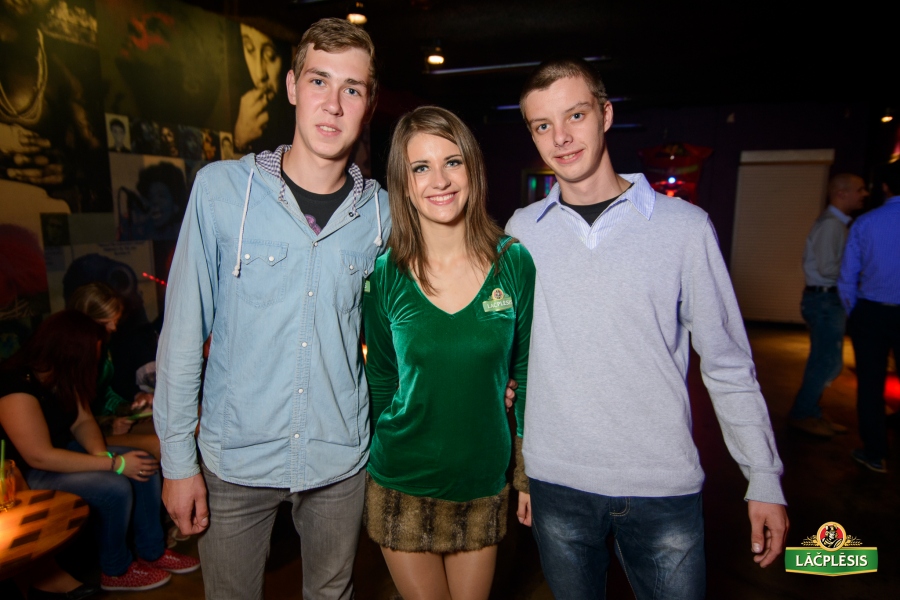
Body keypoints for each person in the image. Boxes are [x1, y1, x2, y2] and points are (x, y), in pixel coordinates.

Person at [505, 58, 789, 599]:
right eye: (542, 125)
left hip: (661, 484)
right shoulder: (522, 231)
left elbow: (727, 363)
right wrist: (522, 466)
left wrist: (763, 475)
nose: (560, 137)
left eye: (575, 115)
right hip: (556, 480)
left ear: (606, 115)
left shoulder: (685, 228)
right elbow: (515, 349)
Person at [154, 18, 391, 600]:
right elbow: (182, 336)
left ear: (369, 104)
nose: (332, 104)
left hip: (339, 458)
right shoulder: (221, 191)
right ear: (291, 86)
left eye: (352, 88)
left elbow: (416, 321)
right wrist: (177, 463)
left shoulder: (383, 214)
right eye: (318, 81)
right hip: (235, 461)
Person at [363, 106, 534, 600]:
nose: (439, 180)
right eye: (421, 167)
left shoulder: (513, 262)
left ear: (472, 169)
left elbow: (525, 374)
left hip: (481, 483)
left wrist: (524, 475)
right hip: (402, 481)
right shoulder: (386, 273)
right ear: (404, 184)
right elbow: (381, 382)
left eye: (452, 162)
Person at [0, 311, 199, 593]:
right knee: (114, 487)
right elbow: (39, 456)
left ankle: (152, 552)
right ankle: (116, 571)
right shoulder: (15, 385)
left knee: (143, 463)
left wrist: (102, 456)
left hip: (60, 452)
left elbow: (82, 421)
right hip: (26, 473)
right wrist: (114, 465)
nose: (98, 357)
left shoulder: (63, 373)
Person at [787, 174, 868, 437]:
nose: (864, 194)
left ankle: (810, 412)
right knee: (826, 361)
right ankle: (802, 414)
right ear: (841, 193)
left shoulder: (836, 224)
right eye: (860, 190)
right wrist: (861, 275)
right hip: (824, 300)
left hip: (825, 299)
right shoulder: (832, 225)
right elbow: (828, 268)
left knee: (825, 360)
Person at [838, 160, 900, 474]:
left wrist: (856, 312)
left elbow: (847, 276)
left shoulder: (865, 223)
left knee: (871, 385)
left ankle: (875, 453)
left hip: (871, 311)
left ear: (885, 187)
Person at [67, 282, 159, 458]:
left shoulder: (102, 346)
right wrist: (108, 425)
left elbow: (106, 393)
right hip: (84, 435)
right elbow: (72, 417)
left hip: (110, 423)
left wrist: (134, 403)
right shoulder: (72, 355)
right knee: (158, 445)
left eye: (116, 321)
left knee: (175, 431)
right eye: (104, 323)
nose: (113, 328)